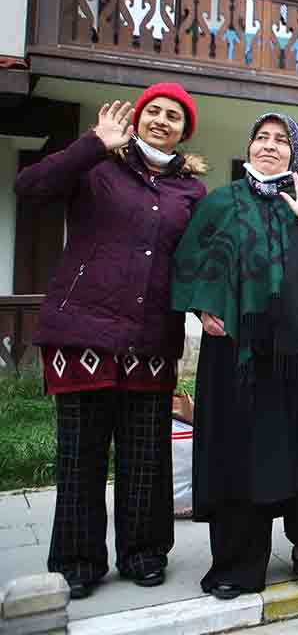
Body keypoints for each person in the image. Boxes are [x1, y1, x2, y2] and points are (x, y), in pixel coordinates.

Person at [15, 84, 206, 599]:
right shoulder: (97, 166)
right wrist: (93, 144)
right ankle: (78, 560)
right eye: (153, 112)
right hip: (82, 335)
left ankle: (143, 552)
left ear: (184, 130)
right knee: (81, 456)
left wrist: (207, 305)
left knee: (146, 457)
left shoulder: (190, 192)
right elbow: (29, 187)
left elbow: (193, 263)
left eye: (173, 116)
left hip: (150, 341)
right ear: (137, 119)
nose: (161, 121)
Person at [172, 113, 298, 600]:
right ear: (249, 146)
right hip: (238, 356)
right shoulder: (222, 202)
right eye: (261, 137)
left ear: (295, 152)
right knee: (241, 459)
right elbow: (189, 262)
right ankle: (241, 563)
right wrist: (202, 306)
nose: (270, 146)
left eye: (282, 140)